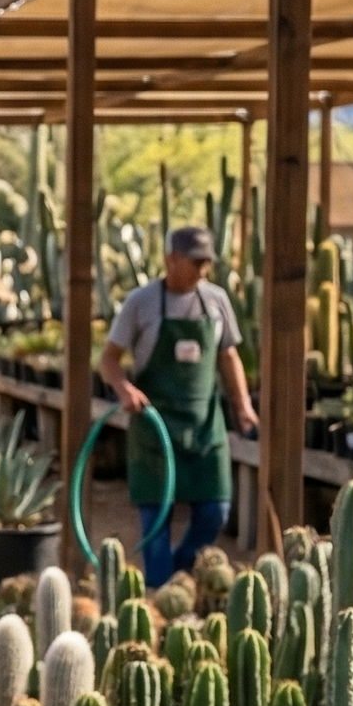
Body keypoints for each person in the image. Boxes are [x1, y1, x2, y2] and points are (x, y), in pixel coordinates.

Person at [98, 224, 259, 588]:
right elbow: (108, 359)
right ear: (171, 259)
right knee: (156, 523)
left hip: (204, 425)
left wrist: (242, 404)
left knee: (214, 512)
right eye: (196, 261)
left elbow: (228, 354)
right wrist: (123, 388)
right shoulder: (141, 302)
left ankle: (179, 576)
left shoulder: (215, 300)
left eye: (206, 262)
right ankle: (159, 599)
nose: (203, 269)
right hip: (154, 427)